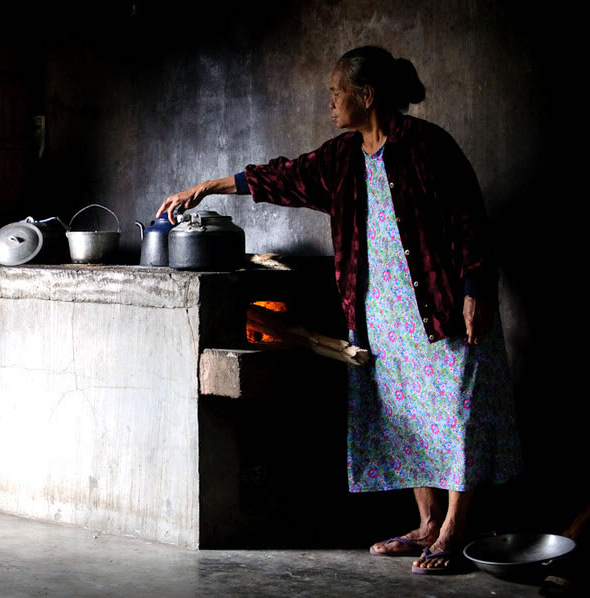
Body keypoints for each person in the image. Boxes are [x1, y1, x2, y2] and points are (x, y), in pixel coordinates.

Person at [156, 46, 520, 575]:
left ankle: (452, 531)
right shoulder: (344, 157)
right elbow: (284, 176)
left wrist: (476, 290)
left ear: (366, 95)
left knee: (459, 413)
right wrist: (208, 187)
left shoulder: (426, 147)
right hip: (384, 310)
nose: (330, 103)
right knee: (410, 416)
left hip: (440, 304)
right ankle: (425, 522)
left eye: (336, 92)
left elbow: (470, 220)